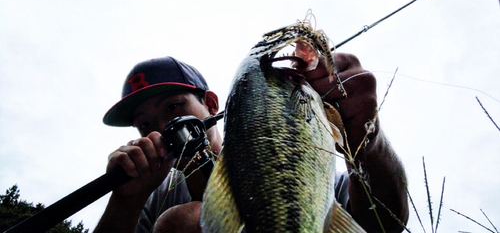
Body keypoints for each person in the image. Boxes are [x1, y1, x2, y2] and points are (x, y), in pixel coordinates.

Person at [94, 54, 409, 233]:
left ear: (212, 104)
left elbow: (384, 223)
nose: (165, 127)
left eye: (174, 107)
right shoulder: (155, 198)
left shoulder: (287, 164)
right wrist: (125, 203)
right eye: (146, 124)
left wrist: (366, 140)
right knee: (182, 222)